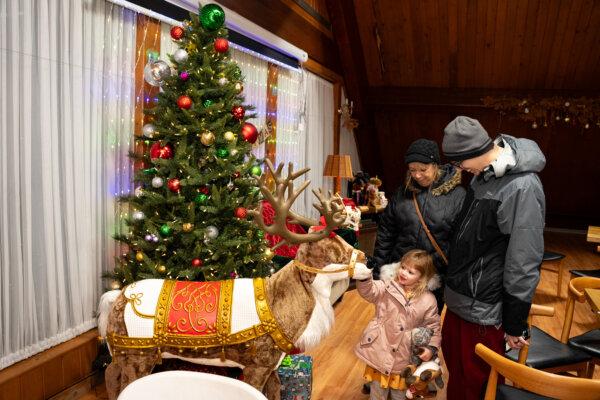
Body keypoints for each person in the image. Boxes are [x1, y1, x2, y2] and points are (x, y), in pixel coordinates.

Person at [440, 116, 546, 400]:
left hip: (484, 309)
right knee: (458, 376)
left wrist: (515, 321)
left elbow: (523, 261)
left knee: (476, 386)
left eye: (459, 164)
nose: (460, 171)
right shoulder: (483, 176)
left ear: (472, 153)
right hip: (460, 300)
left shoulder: (522, 186)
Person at [369, 138, 465, 311]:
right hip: (399, 274)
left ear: (435, 165)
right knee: (392, 323)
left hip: (431, 279)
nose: (417, 175)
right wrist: (377, 272)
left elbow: (459, 241)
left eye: (423, 169)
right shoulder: (402, 193)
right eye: (412, 170)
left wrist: (429, 267)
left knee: (425, 327)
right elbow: (386, 234)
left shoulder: (458, 196)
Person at [355, 249, 441, 400]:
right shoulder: (387, 286)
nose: (403, 273)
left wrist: (430, 348)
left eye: (410, 272)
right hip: (381, 349)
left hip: (405, 355)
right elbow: (370, 291)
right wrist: (364, 277)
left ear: (421, 278)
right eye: (403, 267)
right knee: (377, 393)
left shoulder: (428, 300)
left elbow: (433, 327)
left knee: (399, 394)